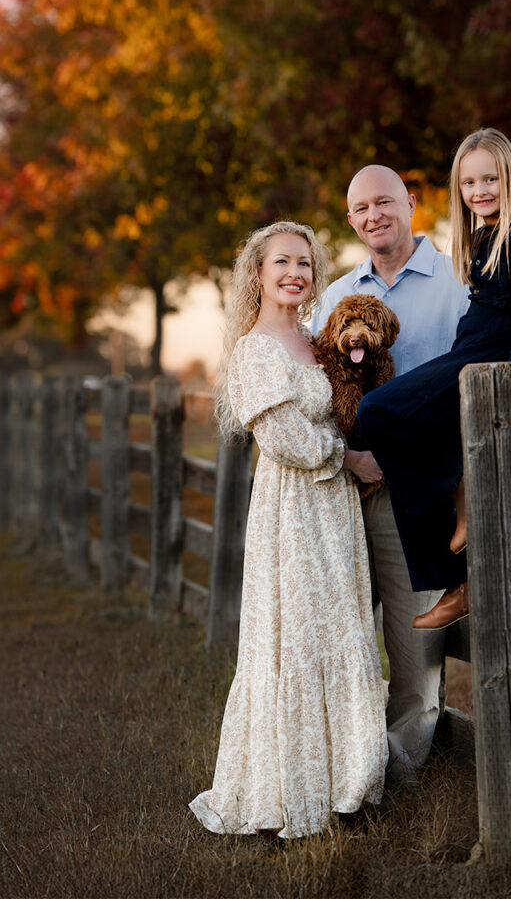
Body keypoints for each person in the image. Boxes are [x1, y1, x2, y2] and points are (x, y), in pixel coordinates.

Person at [310, 157, 511, 781]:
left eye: (385, 201)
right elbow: (314, 391)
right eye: (361, 208)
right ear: (350, 219)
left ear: (411, 201)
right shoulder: (336, 296)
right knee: (335, 638)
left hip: (418, 489)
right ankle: (337, 768)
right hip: (345, 485)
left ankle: (396, 775)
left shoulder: (459, 272)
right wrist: (347, 458)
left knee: (416, 657)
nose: (374, 215)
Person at [190, 221, 387, 839]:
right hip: (295, 509)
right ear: (258, 274)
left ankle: (347, 786)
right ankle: (292, 791)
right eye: (282, 263)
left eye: (304, 263)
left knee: (343, 626)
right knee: (299, 635)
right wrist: (349, 460)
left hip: (336, 512)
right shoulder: (255, 350)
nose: (295, 273)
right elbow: (283, 439)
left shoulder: (313, 339)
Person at [356, 128, 511, 631]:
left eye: (490, 178)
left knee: (377, 410)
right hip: (467, 352)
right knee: (392, 419)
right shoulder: (485, 238)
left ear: (509, 177)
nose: (480, 191)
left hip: (483, 364)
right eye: (469, 183)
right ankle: (454, 576)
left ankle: (453, 504)